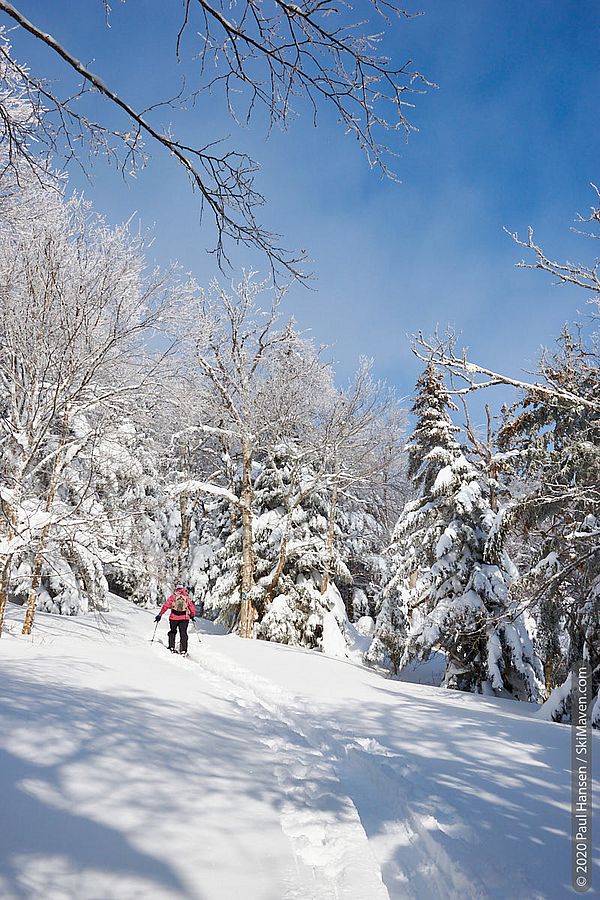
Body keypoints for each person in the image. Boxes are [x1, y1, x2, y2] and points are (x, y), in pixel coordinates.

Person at [155, 586, 196, 654]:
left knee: (172, 632)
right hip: (184, 618)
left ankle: (171, 646)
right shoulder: (186, 597)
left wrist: (160, 614)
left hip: (173, 618)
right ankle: (183, 650)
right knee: (183, 633)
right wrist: (192, 615)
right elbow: (192, 608)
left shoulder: (173, 597)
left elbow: (166, 606)